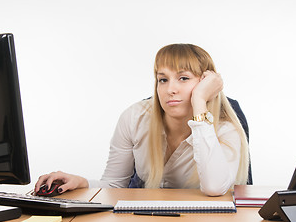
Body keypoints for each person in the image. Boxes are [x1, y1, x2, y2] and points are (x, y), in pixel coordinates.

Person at [35, 44, 249, 196]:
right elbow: (114, 185)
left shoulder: (225, 127)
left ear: (206, 83)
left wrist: (200, 102)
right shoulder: (135, 117)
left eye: (183, 78)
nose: (170, 89)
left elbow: (214, 188)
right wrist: (82, 183)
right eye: (162, 80)